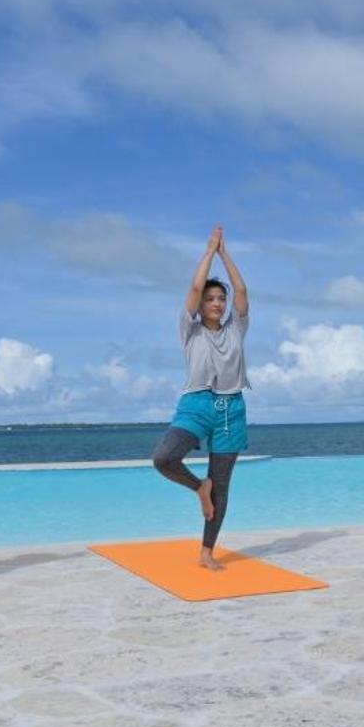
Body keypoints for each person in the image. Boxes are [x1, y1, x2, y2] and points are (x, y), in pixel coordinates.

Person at [152, 225, 250, 573]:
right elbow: (195, 288)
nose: (217, 303)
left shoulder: (236, 329)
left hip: (231, 409)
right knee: (164, 458)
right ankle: (199, 487)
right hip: (196, 404)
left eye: (220, 299)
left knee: (222, 486)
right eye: (210, 299)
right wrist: (210, 252)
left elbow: (241, 291)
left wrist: (226, 254)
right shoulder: (189, 329)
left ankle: (206, 552)